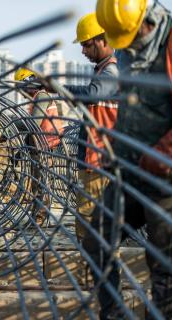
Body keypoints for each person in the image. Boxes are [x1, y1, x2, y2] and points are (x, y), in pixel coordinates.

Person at [84, 0, 172, 318]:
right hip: (129, 172)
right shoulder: (127, 51)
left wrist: (171, 145)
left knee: (163, 264)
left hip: (171, 175)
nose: (125, 44)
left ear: (148, 18)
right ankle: (113, 314)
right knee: (96, 240)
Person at [65, 12, 119, 242]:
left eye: (86, 45)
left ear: (103, 40)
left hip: (98, 160)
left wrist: (58, 87)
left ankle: (94, 269)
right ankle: (98, 267)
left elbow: (93, 94)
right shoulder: (101, 71)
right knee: (97, 217)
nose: (83, 51)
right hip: (97, 157)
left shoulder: (110, 72)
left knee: (89, 217)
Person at [14, 68, 64, 221]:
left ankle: (40, 217)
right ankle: (37, 215)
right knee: (37, 181)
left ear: (28, 83)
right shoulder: (37, 97)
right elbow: (33, 128)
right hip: (40, 144)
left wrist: (12, 124)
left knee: (41, 182)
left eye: (21, 88)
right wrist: (22, 149)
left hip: (45, 145)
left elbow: (33, 123)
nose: (22, 92)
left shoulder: (41, 96)